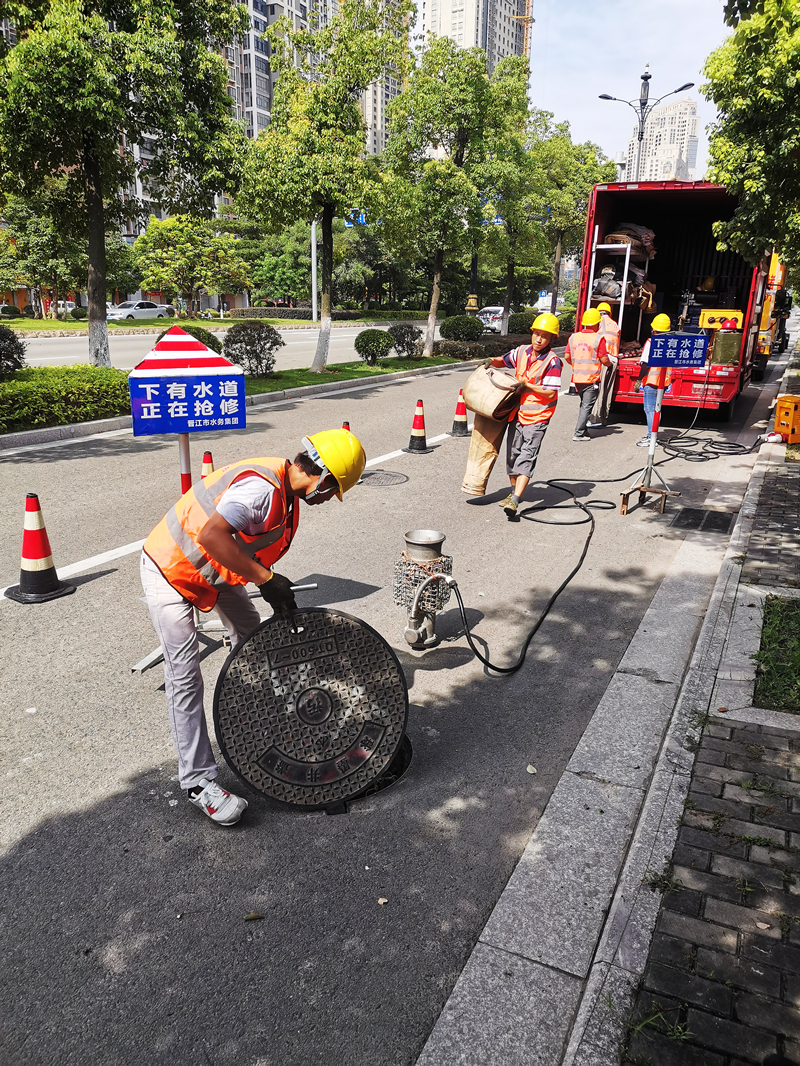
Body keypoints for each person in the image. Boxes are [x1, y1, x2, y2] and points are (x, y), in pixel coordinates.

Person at [140, 429, 366, 826]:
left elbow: (244, 546)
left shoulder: (286, 491)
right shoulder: (262, 490)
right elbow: (212, 535)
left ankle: (256, 715)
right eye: (333, 491)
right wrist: (266, 579)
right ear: (324, 478)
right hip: (171, 569)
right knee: (185, 675)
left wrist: (269, 582)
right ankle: (197, 781)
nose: (329, 499)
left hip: (214, 572)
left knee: (252, 636)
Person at [485, 312, 563, 518]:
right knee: (512, 456)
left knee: (526, 457)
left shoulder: (553, 362)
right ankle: (513, 493)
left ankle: (516, 500)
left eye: (544, 336)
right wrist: (491, 361)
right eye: (536, 334)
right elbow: (504, 360)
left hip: (538, 418)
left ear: (552, 338)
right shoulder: (521, 352)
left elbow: (550, 392)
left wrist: (527, 386)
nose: (538, 339)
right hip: (517, 415)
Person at [564, 309, 612, 442]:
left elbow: (567, 356)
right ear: (597, 323)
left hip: (578, 378)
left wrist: (576, 365)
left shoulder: (574, 337)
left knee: (584, 404)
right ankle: (578, 433)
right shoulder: (598, 338)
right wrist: (610, 365)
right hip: (591, 379)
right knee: (587, 405)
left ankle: (583, 430)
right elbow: (604, 359)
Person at [635, 314, 673, 446]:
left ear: (654, 329)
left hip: (651, 382)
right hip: (663, 382)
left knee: (650, 409)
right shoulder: (671, 344)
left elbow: (646, 364)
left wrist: (639, 379)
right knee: (656, 409)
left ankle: (652, 438)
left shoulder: (651, 343)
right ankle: (653, 435)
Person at [587, 301, 620, 427]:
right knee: (607, 390)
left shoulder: (599, 323)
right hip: (614, 359)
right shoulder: (614, 324)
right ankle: (604, 417)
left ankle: (595, 419)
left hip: (603, 358)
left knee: (598, 390)